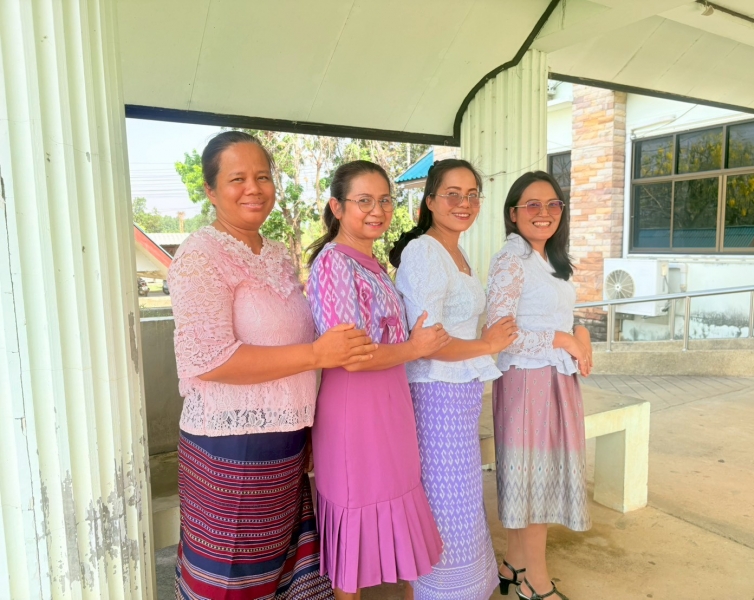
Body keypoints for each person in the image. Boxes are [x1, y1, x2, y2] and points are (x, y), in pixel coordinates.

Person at [168, 131, 376, 600]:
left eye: (262, 177)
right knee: (232, 579)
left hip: (288, 441)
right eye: (237, 179)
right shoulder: (200, 256)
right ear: (210, 190)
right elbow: (209, 359)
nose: (254, 188)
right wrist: (317, 354)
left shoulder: (278, 253)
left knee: (278, 571)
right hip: (231, 448)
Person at [306, 160, 449, 599]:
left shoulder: (369, 262)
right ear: (337, 207)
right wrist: (415, 348)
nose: (378, 210)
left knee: (397, 503)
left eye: (385, 200)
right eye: (364, 200)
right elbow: (351, 355)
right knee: (354, 519)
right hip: (355, 410)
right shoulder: (334, 263)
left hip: (391, 404)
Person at [391, 159, 518, 600]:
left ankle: (462, 588)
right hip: (435, 393)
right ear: (430, 201)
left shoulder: (456, 252)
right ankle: (441, 591)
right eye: (452, 194)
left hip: (459, 392)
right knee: (447, 504)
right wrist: (487, 344)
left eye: (472, 195)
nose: (464, 203)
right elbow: (428, 343)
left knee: (462, 499)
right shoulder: (425, 252)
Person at [486, 171, 593, 600]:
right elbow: (501, 334)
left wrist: (579, 334)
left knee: (533, 478)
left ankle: (514, 565)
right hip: (528, 379)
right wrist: (563, 340)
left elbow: (559, 315)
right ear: (513, 213)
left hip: (554, 378)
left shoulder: (549, 258)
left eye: (553, 204)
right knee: (534, 483)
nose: (544, 212)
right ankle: (536, 581)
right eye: (532, 204)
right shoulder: (511, 259)